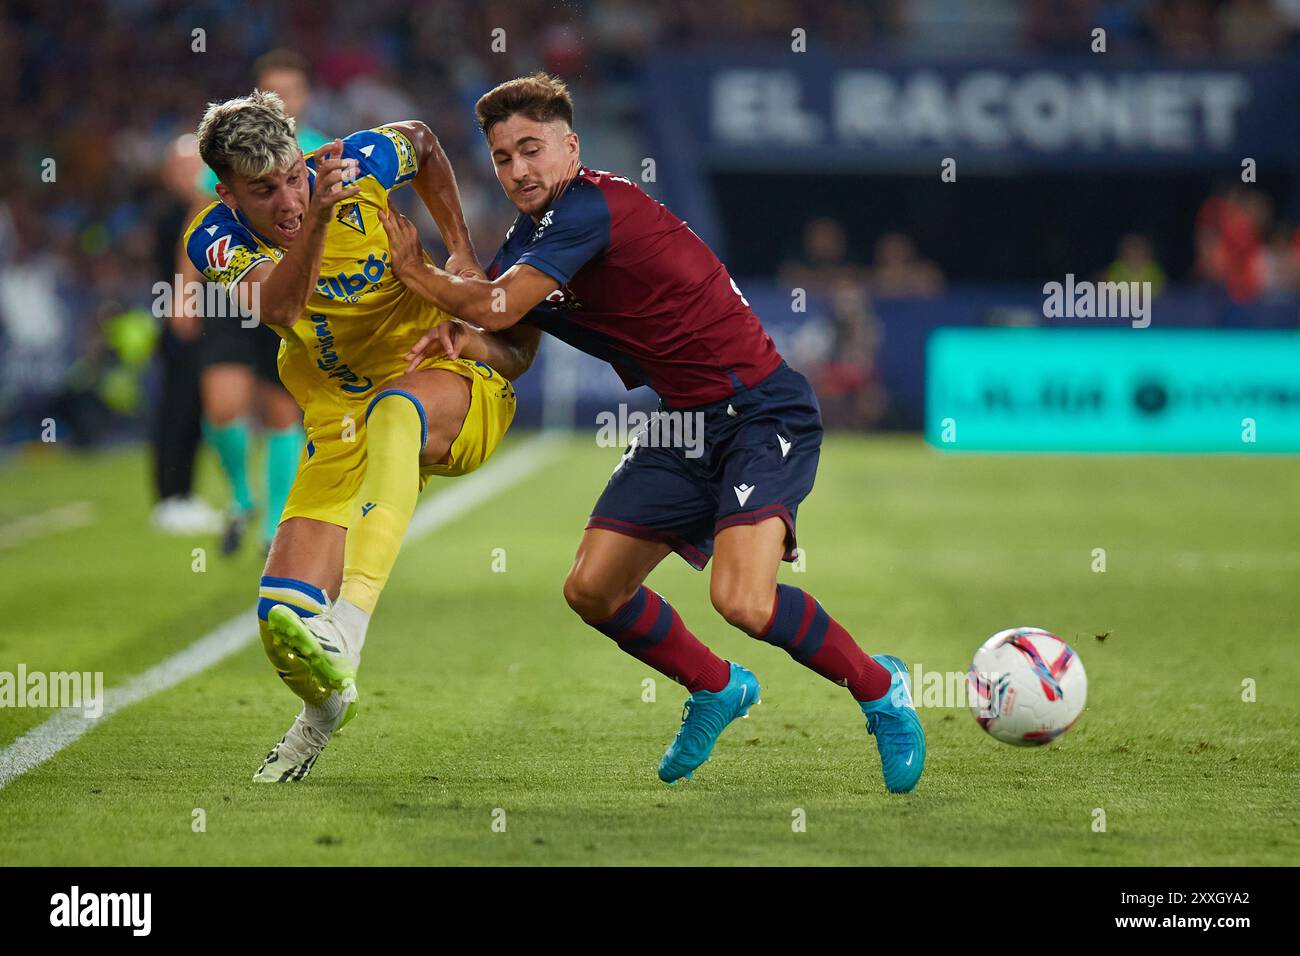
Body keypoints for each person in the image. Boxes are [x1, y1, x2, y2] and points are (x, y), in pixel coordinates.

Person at [382, 73, 925, 793]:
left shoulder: (593, 207)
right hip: (686, 424)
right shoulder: (532, 234)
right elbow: (512, 343)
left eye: (531, 149)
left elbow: (498, 300)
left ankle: (880, 690)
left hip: (761, 412)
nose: (517, 169)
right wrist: (465, 339)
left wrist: (414, 270)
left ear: (570, 146)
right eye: (503, 157)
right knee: (592, 589)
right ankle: (716, 687)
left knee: (743, 601)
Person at [184, 90, 538, 782]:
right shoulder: (214, 238)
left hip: (442, 374)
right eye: (264, 191)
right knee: (282, 623)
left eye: (294, 176)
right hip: (339, 421)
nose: (288, 199)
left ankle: (351, 622)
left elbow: (427, 141)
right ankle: (322, 715)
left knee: (396, 412)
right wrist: (315, 220)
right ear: (228, 194)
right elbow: (282, 305)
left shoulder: (358, 162)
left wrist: (461, 252)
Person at [181, 50, 331, 554]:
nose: (284, 98)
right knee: (224, 406)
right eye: (274, 90)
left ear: (303, 99)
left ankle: (273, 526)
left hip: (286, 289)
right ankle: (242, 497)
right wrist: (184, 289)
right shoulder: (228, 157)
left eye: (292, 90)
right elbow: (201, 221)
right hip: (230, 292)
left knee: (282, 413)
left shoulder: (314, 151)